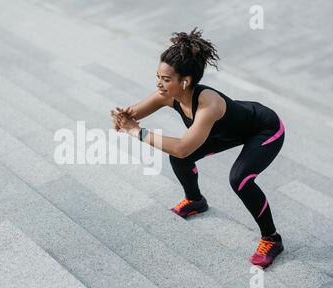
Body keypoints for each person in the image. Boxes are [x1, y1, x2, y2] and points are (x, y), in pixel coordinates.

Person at [111, 28, 285, 268]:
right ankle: (195, 200)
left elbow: (182, 146)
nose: (159, 84)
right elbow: (134, 113)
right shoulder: (168, 94)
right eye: (158, 77)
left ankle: (272, 238)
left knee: (240, 179)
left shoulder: (209, 104)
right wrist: (121, 116)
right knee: (179, 159)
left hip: (264, 129)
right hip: (226, 131)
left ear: (186, 81)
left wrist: (135, 131)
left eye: (165, 79)